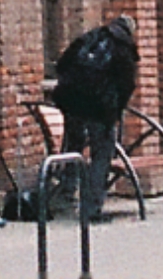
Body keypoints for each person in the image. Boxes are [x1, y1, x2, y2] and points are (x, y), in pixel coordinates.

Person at [46, 15, 140, 220]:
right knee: (102, 154)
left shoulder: (91, 37)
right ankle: (90, 209)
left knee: (72, 147)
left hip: (72, 102)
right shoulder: (123, 49)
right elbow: (126, 85)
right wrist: (115, 109)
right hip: (100, 109)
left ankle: (64, 196)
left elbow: (63, 64)